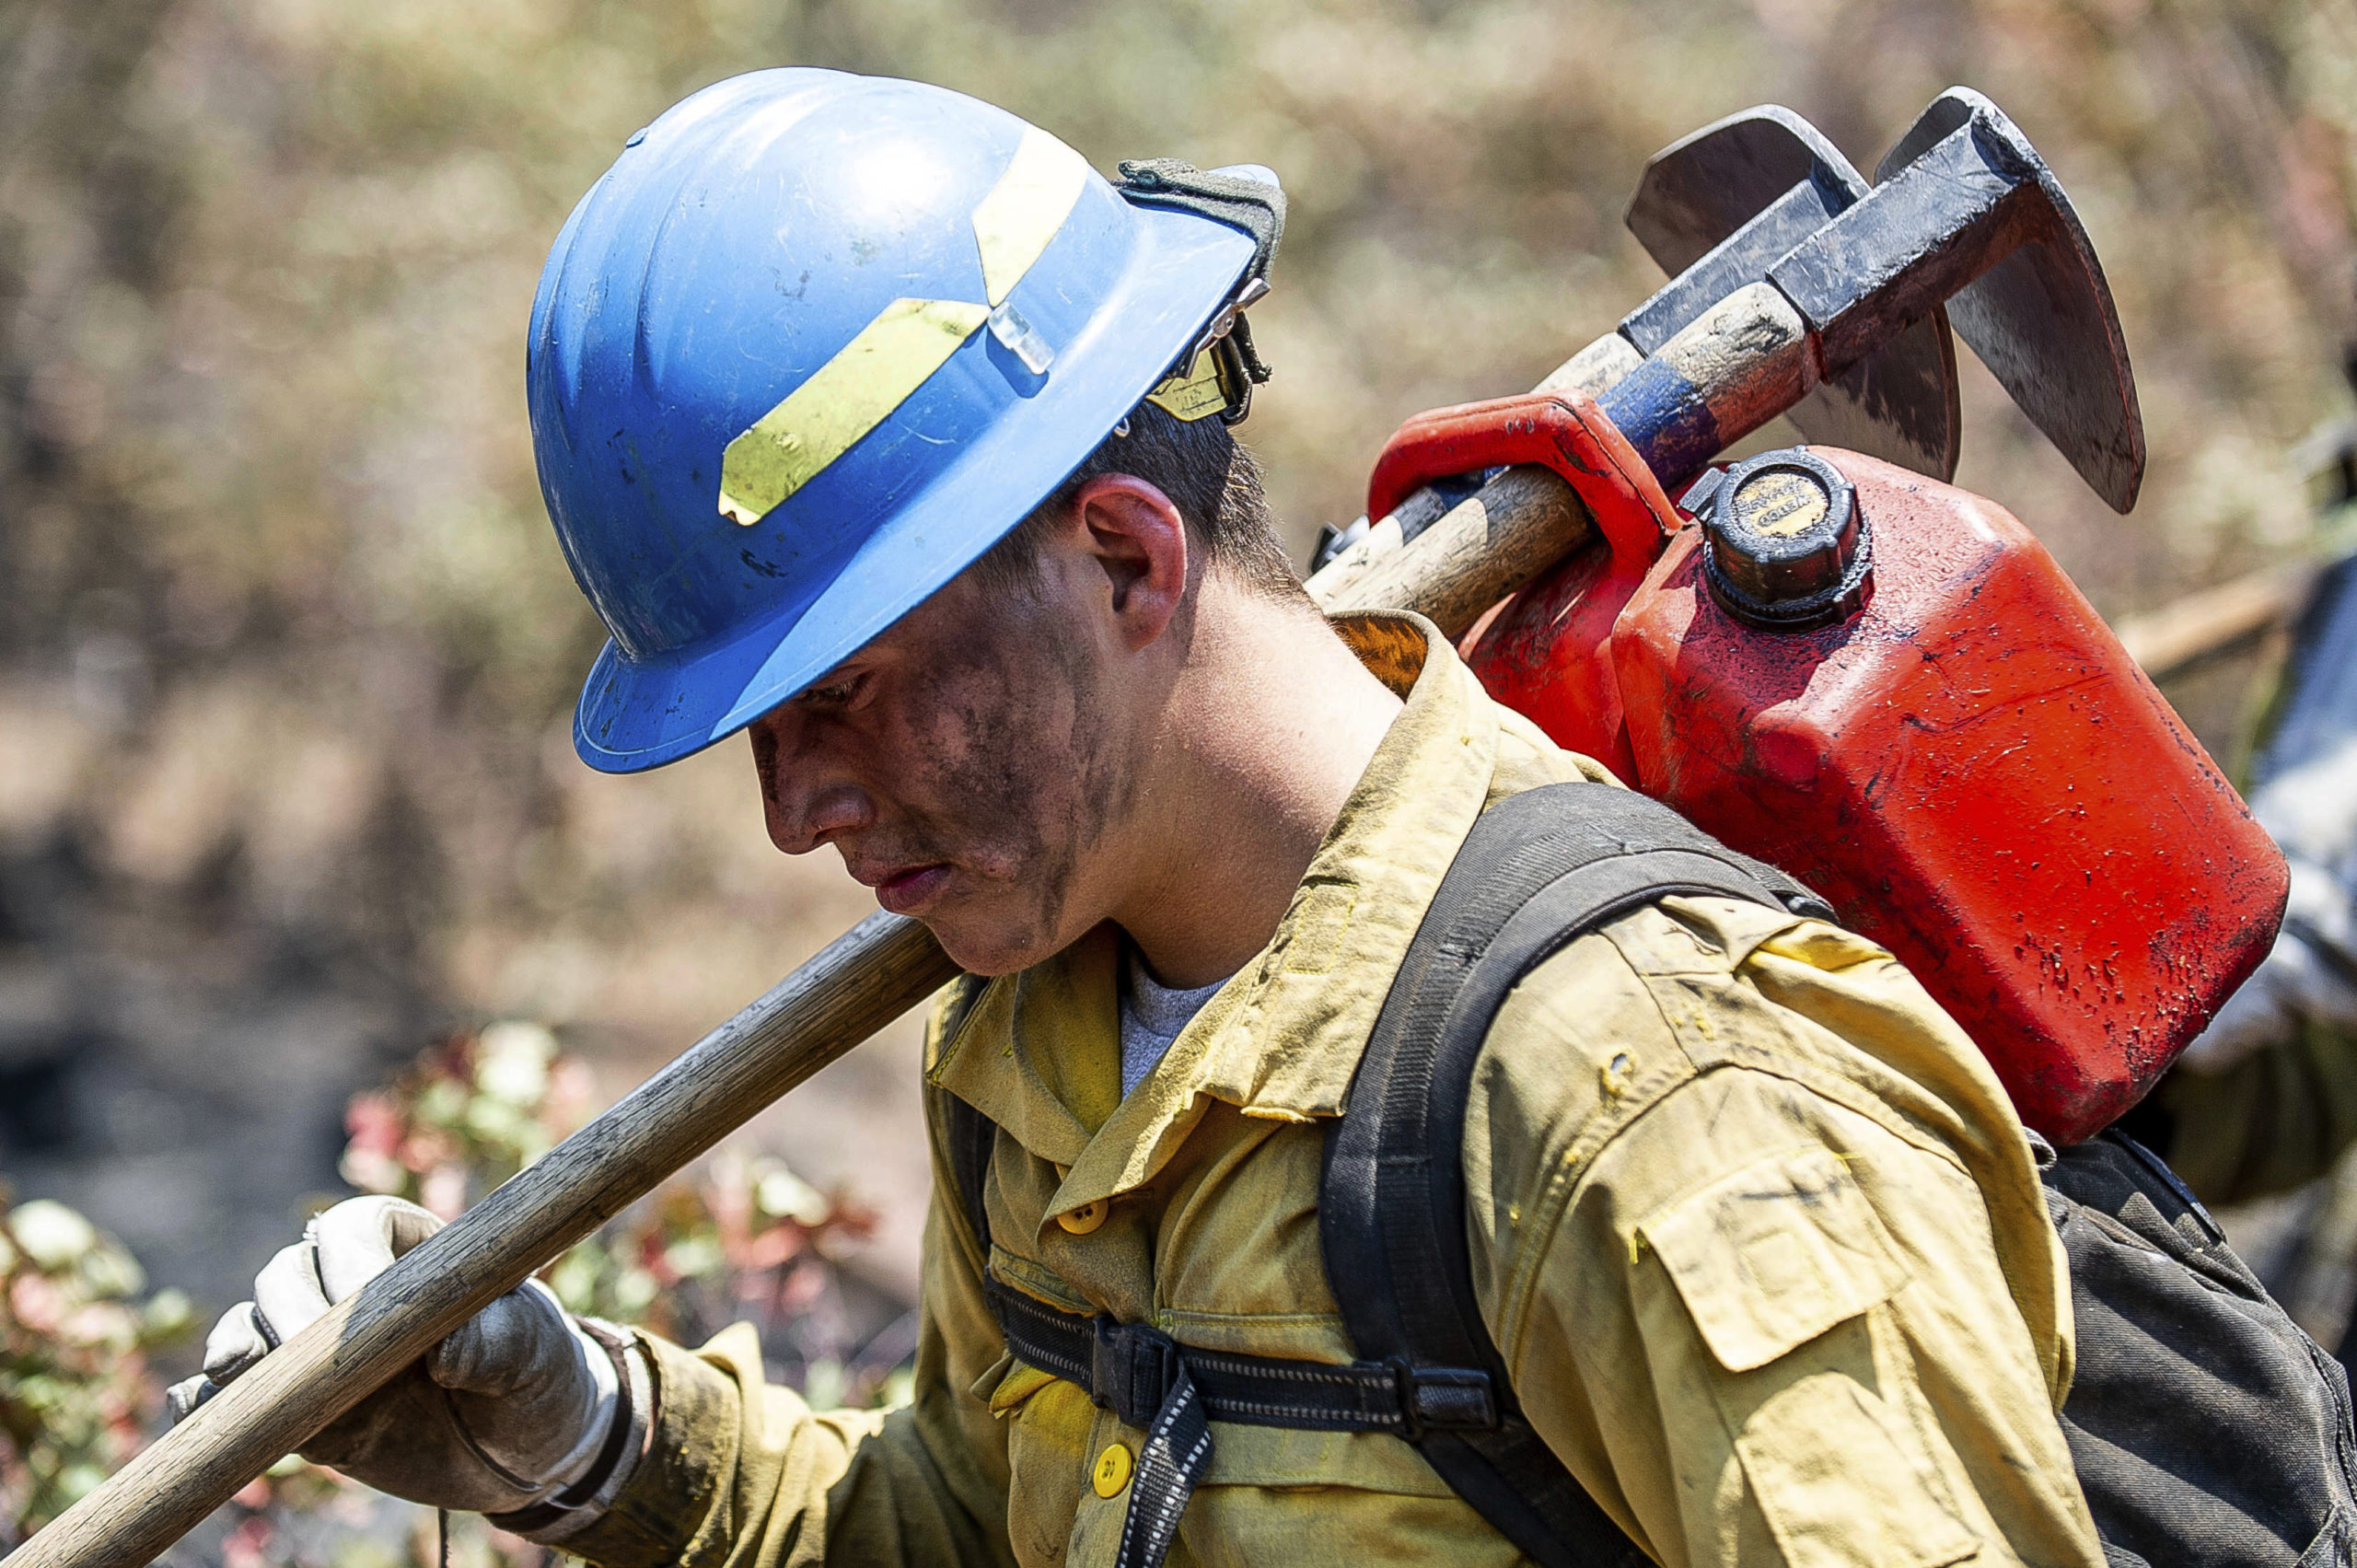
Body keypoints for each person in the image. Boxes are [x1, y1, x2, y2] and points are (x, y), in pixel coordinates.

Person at [177, 69, 2110, 1567]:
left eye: (840, 689)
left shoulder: (1650, 1097)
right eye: (757, 726)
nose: (792, 816)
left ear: (1118, 557)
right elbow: (964, 1530)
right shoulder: (1030, 1039)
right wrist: (588, 1444)